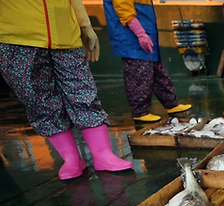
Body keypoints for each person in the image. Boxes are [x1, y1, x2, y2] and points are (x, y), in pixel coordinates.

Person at [0, 0, 134, 181]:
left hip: (65, 33)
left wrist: (85, 25)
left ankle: (103, 155)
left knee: (83, 92)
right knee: (38, 99)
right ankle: (71, 159)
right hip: (16, 39)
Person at [103, 0, 192, 122]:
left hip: (146, 28)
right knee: (138, 74)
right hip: (131, 33)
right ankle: (139, 112)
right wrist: (140, 33)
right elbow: (123, 7)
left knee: (158, 71)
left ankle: (171, 103)